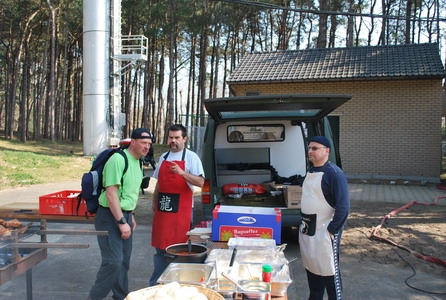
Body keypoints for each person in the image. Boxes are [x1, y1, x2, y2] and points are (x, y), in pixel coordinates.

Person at [88, 128, 152, 300]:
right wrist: (122, 220)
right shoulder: (118, 159)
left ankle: (121, 297)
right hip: (109, 216)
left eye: (149, 144)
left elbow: (129, 192)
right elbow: (111, 193)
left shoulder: (138, 162)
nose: (147, 147)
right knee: (113, 262)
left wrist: (132, 215)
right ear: (133, 141)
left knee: (123, 262)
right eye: (143, 143)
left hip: (125, 215)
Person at [149, 124, 205, 286]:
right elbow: (159, 182)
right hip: (164, 209)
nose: (173, 141)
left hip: (182, 210)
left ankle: (179, 286)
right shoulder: (164, 157)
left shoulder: (192, 157)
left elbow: (202, 183)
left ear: (184, 139)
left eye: (177, 138)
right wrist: (154, 201)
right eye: (171, 137)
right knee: (160, 250)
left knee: (179, 250)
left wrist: (182, 173)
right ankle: (156, 285)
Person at [298, 136, 350, 300]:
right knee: (312, 270)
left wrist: (332, 230)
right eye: (309, 148)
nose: (310, 151)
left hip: (325, 232)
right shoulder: (311, 171)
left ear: (327, 151)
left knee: (329, 273)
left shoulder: (335, 174)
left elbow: (343, 207)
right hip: (308, 229)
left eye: (315, 148)